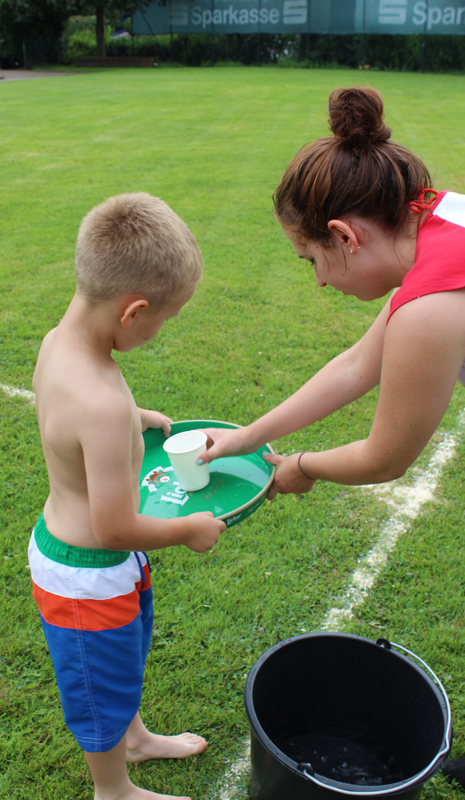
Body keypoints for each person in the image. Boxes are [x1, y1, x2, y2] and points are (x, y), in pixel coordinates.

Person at [198, 86, 465, 789]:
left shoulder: (432, 308)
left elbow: (386, 456)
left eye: (310, 260)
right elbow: (356, 365)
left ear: (345, 236)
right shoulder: (435, 214)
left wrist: (302, 467)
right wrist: (248, 437)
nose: (317, 282)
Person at [28, 192, 226, 800]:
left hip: (103, 564)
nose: (161, 330)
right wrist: (189, 529)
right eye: (165, 319)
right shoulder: (101, 406)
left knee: (123, 659)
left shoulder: (59, 343)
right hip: (87, 575)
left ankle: (134, 738)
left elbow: (68, 412)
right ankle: (113, 790)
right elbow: (114, 526)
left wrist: (136, 418)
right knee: (99, 690)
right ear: (134, 311)